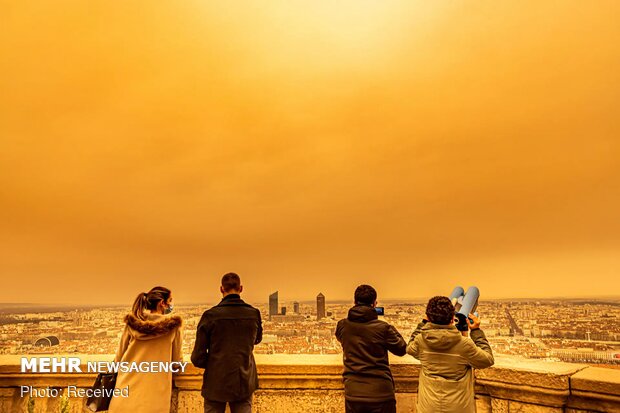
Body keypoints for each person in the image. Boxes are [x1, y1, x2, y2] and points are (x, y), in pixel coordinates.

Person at [407, 296, 494, 413]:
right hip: (459, 408)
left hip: (428, 407)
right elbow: (487, 359)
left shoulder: (420, 341)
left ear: (428, 317)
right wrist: (476, 331)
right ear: (452, 319)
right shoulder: (464, 345)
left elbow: (410, 348)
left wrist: (422, 324)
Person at [191, 272, 263, 413]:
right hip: (243, 380)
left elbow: (197, 357)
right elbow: (257, 339)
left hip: (215, 382)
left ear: (221, 289)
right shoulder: (253, 313)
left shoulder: (210, 315)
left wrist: (215, 363)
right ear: (241, 288)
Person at [108, 286, 183, 413]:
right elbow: (176, 363)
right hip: (156, 395)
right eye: (170, 301)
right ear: (162, 303)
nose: (171, 305)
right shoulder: (173, 327)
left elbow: (118, 359)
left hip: (125, 391)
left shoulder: (132, 324)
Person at [335, 284, 407, 413]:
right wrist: (384, 325)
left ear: (354, 302)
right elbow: (401, 349)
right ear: (374, 303)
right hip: (381, 392)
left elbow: (343, 338)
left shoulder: (342, 326)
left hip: (354, 391)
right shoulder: (383, 328)